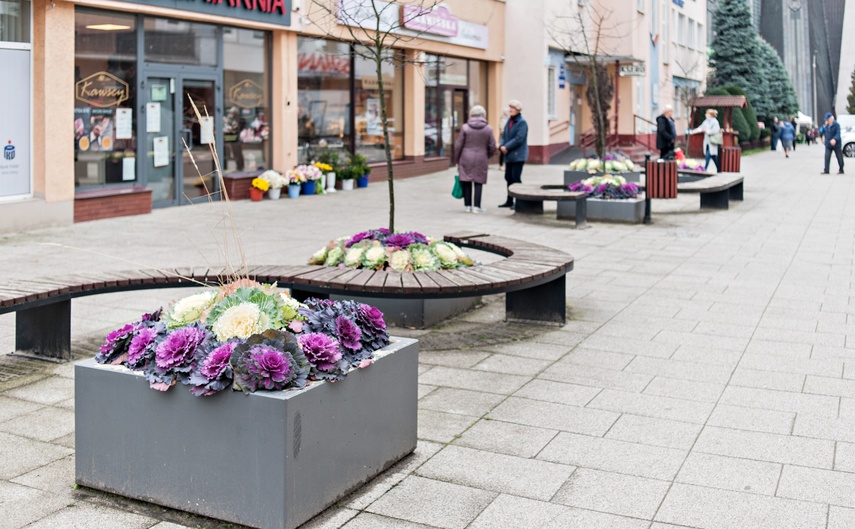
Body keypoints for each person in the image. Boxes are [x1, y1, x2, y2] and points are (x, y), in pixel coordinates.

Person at [453, 105, 497, 213]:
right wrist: (487, 155)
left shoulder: (465, 127)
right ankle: (477, 206)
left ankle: (468, 206)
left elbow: (458, 145)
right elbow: (493, 146)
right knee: (479, 181)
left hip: (466, 156)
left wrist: (456, 159)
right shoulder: (488, 128)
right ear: (483, 115)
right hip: (481, 157)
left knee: (466, 180)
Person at [498, 100, 529, 208]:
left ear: (518, 110)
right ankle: (509, 200)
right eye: (510, 108)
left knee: (516, 178)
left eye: (513, 108)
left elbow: (519, 139)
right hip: (509, 155)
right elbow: (504, 135)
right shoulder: (509, 121)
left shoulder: (521, 122)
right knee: (508, 177)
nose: (510, 110)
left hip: (518, 155)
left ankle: (519, 201)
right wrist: (502, 145)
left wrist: (507, 147)